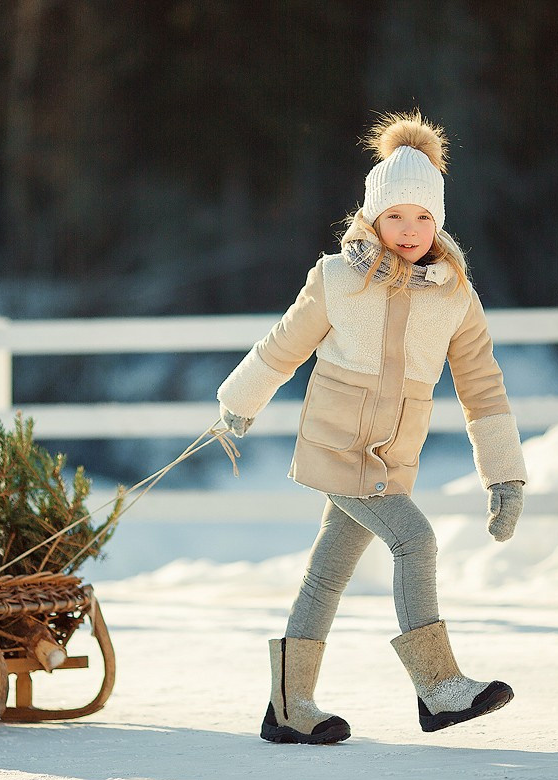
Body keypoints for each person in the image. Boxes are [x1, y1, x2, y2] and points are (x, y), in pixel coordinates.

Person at [216, 111, 527, 745]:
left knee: (327, 573)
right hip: (340, 448)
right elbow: (283, 345)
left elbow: (482, 387)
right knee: (416, 542)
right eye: (394, 217)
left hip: (391, 456)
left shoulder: (454, 296)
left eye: (422, 217)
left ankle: (288, 705)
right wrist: (240, 401)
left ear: (437, 221)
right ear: (371, 218)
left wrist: (504, 474)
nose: (409, 231)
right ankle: (439, 689)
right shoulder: (338, 279)